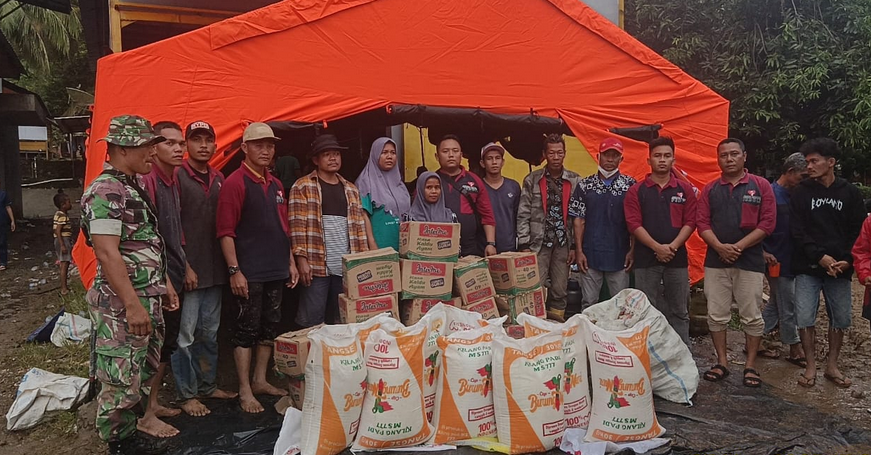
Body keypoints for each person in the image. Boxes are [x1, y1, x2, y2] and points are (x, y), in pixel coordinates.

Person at [81, 115, 178, 454]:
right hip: (121, 305)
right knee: (120, 378)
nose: (153, 152)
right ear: (122, 149)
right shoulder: (106, 191)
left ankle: (131, 433)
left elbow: (145, 243)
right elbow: (107, 254)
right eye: (146, 146)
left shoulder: (131, 186)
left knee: (141, 371)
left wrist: (164, 285)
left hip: (145, 296)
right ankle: (119, 443)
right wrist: (133, 305)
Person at [217, 122, 299, 413]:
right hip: (249, 270)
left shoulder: (275, 184)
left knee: (269, 326)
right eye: (259, 145)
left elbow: (283, 227)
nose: (266, 151)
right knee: (246, 329)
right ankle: (244, 389)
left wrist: (290, 262)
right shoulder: (235, 183)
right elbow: (225, 231)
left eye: (270, 145)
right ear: (244, 148)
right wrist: (234, 270)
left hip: (276, 267)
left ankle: (260, 380)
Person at [697, 138, 775, 388]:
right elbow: (702, 223)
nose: (729, 159)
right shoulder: (710, 189)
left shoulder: (760, 186)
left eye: (734, 154)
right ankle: (722, 362)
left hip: (750, 261)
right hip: (716, 261)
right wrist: (720, 247)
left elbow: (767, 223)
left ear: (744, 156)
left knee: (751, 314)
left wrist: (738, 247)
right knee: (716, 314)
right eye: (724, 155)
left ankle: (750, 365)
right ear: (718, 159)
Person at [173, 121, 237, 417]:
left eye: (208, 140)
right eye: (196, 139)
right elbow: (172, 227)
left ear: (215, 145)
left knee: (209, 332)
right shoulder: (177, 176)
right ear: (187, 144)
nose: (203, 145)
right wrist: (184, 266)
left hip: (215, 270)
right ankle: (186, 394)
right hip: (189, 271)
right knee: (185, 336)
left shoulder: (219, 177)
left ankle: (208, 386)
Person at [790, 138, 865, 389]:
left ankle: (832, 366)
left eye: (814, 161)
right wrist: (819, 257)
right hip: (807, 266)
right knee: (804, 317)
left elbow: (858, 231)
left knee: (840, 318)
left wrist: (847, 260)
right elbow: (797, 230)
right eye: (807, 162)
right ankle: (810, 366)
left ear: (831, 162)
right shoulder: (801, 192)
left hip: (839, 269)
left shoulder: (850, 192)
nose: (809, 166)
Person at [290, 134, 373, 328]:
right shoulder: (303, 186)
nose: (333, 158)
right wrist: (301, 260)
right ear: (315, 160)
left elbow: (359, 228)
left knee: (343, 319)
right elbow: (297, 226)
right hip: (316, 264)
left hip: (345, 265)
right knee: (312, 321)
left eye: (336, 154)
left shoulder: (351, 189)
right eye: (327, 154)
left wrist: (362, 260)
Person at [623, 136, 696, 345]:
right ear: (649, 160)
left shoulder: (685, 190)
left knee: (680, 310)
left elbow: (691, 221)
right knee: (646, 310)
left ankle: (683, 354)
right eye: (657, 156)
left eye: (666, 156)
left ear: (674, 159)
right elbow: (633, 224)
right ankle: (650, 354)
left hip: (677, 258)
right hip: (645, 259)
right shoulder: (637, 191)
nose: (662, 160)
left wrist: (672, 247)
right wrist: (657, 247)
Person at [139, 121, 187, 435]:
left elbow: (175, 232)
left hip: (174, 272)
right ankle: (144, 414)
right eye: (170, 143)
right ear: (153, 147)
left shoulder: (173, 180)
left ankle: (153, 403)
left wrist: (186, 265)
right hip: (156, 279)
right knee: (150, 347)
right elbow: (148, 240)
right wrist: (166, 281)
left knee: (166, 344)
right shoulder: (148, 181)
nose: (178, 148)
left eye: (180, 143)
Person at [518, 134, 581, 321]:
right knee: (534, 286)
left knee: (560, 288)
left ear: (565, 154)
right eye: (551, 153)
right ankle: (535, 322)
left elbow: (578, 216)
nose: (556, 157)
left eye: (559, 153)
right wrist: (524, 244)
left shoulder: (575, 180)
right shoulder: (532, 179)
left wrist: (574, 246)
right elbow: (523, 212)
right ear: (544, 154)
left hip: (563, 243)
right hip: (538, 242)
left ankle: (556, 322)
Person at [570, 137, 636, 308]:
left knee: (620, 305)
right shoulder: (585, 186)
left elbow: (635, 222)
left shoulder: (630, 186)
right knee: (589, 303)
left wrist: (633, 250)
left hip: (620, 255)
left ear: (621, 159)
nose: (610, 159)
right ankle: (588, 328)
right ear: (598, 156)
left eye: (615, 155)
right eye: (607, 155)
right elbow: (578, 220)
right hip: (590, 255)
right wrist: (579, 251)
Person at [760, 152, 808, 364]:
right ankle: (794, 347)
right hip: (775, 259)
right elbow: (756, 226)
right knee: (789, 304)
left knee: (776, 302)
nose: (804, 181)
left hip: (791, 259)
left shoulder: (795, 195)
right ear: (790, 172)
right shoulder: (769, 195)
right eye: (802, 176)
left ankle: (754, 339)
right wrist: (762, 252)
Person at [434, 134, 497, 257]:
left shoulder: (474, 180)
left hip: (470, 248)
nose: (451, 155)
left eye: (455, 151)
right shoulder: (431, 181)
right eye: (445, 151)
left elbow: (487, 214)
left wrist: (491, 243)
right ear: (437, 156)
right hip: (438, 247)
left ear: (461, 155)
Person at [356, 137, 411, 250]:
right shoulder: (365, 182)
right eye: (384, 152)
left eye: (393, 153)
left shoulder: (399, 184)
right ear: (375, 155)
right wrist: (372, 245)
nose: (389, 156)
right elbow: (363, 216)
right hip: (380, 246)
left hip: (403, 245)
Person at [480, 142, 520, 253]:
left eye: (497, 158)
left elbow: (519, 217)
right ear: (482, 163)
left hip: (510, 248)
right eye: (489, 158)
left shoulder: (513, 186)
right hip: (484, 248)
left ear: (503, 162)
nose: (494, 162)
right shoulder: (478, 187)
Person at [53, 192, 73, 295]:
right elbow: (58, 230)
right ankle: (64, 289)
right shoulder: (62, 215)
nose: (70, 204)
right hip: (63, 240)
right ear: (63, 205)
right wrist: (62, 245)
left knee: (64, 263)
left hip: (61, 240)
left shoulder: (58, 214)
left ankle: (64, 287)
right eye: (68, 202)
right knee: (64, 263)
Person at [0, 183, 14, 271]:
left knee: (2, 242)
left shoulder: (3, 194)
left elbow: (8, 207)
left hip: (2, 222)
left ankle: (3, 262)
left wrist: (12, 220)